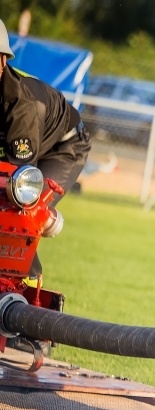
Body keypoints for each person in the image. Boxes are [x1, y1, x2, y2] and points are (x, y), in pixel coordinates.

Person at [0, 18, 91, 281]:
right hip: (24, 148)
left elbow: (19, 181)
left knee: (21, 210)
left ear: (3, 61)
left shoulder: (22, 105)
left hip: (64, 147)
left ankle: (26, 294)